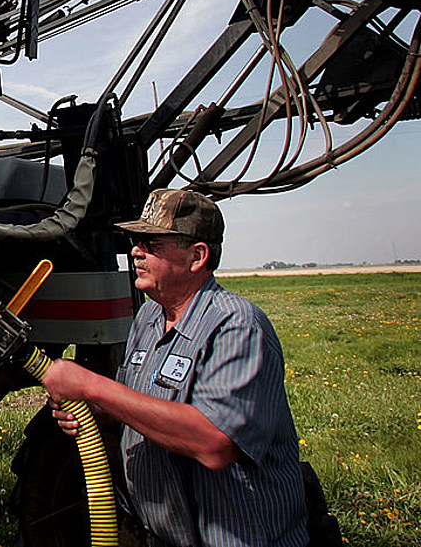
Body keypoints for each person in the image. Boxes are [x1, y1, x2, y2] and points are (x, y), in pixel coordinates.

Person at [40, 188, 308, 547]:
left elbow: (213, 443)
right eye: (136, 240)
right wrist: (99, 412)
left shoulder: (236, 325)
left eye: (152, 243)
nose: (135, 251)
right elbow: (141, 408)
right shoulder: (150, 317)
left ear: (197, 256)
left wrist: (92, 387)